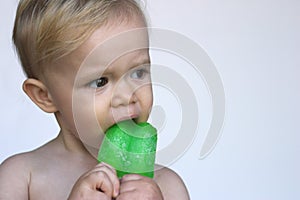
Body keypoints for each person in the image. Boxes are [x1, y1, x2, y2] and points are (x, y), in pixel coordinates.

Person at [0, 0, 190, 199]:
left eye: (138, 73)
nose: (126, 96)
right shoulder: (22, 178)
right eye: (100, 82)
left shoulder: (167, 186)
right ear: (45, 96)